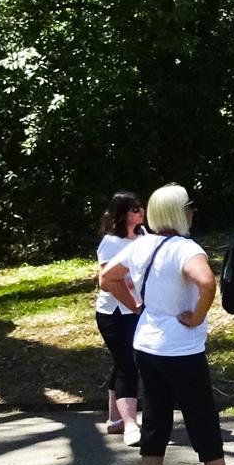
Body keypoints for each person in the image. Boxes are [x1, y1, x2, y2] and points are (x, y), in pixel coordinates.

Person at [96, 184, 234, 465]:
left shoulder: (141, 245)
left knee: (156, 416)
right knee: (201, 418)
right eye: (189, 206)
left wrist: (137, 308)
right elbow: (207, 282)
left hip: (147, 345)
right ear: (177, 211)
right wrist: (196, 317)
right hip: (181, 349)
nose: (193, 211)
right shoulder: (186, 249)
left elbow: (107, 279)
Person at [95, 191, 145, 447]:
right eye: (134, 209)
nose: (140, 212)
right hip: (114, 314)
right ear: (122, 214)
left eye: (140, 207)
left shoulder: (144, 236)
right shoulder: (111, 243)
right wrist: (133, 302)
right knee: (128, 365)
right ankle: (130, 425)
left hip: (138, 311)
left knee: (122, 363)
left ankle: (115, 418)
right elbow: (106, 284)